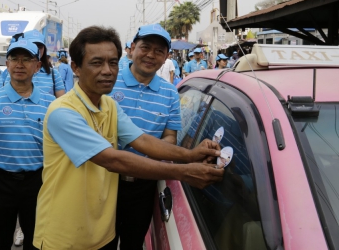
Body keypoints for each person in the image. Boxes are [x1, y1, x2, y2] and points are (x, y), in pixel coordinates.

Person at [33, 25, 224, 249]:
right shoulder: (63, 112)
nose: (107, 71)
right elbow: (113, 160)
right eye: (96, 63)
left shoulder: (108, 104)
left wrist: (191, 155)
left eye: (113, 62)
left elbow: (143, 141)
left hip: (101, 231)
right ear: (75, 67)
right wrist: (185, 172)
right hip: (64, 235)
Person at [0, 39, 55, 250]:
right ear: (7, 64)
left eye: (26, 59)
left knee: (37, 243)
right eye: (14, 59)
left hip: (38, 183)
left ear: (37, 66)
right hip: (1, 183)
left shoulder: (51, 104)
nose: (20, 64)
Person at [109, 24, 182, 249]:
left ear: (166, 57)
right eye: (145, 47)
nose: (151, 55)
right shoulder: (109, 81)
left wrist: (147, 160)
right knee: (100, 243)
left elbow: (170, 136)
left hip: (144, 185)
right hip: (105, 179)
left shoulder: (170, 93)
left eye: (159, 51)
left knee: (133, 242)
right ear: (132, 49)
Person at [3, 30, 66, 98]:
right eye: (33, 45)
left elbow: (60, 102)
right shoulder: (15, 72)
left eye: (40, 46)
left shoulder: (54, 74)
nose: (37, 49)